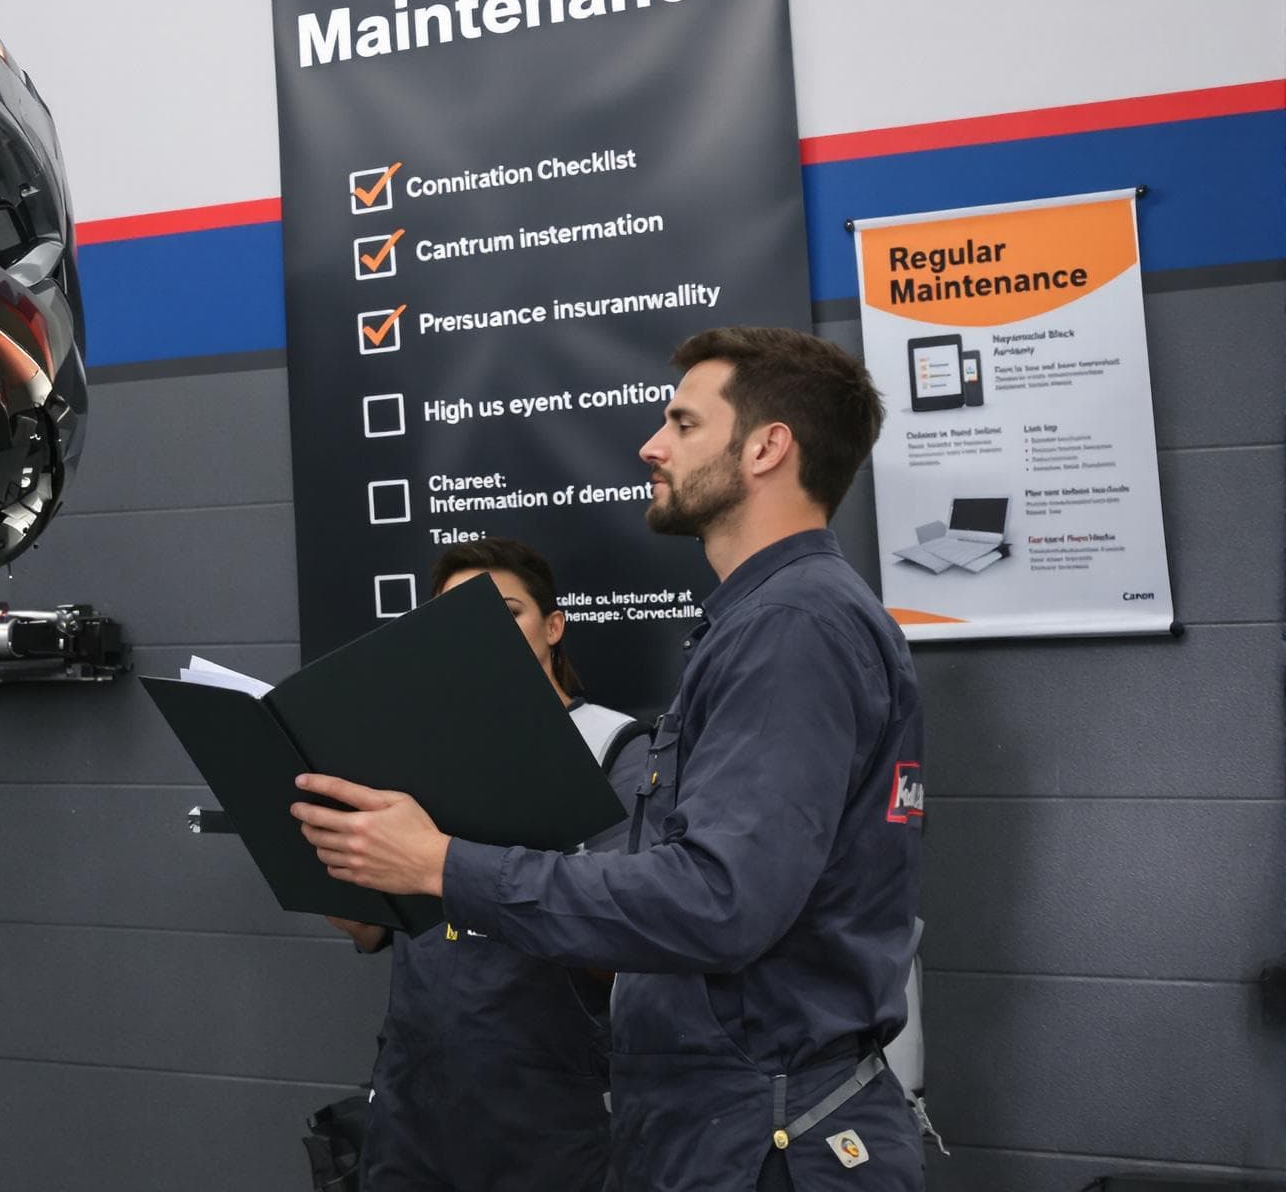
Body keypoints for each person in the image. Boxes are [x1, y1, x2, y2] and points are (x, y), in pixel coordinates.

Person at [293, 326, 927, 1192]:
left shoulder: (793, 625)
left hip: (765, 1133)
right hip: (709, 1121)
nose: (651, 445)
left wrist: (444, 863)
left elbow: (718, 900)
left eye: (683, 424)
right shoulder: (764, 620)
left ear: (768, 448)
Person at [326, 537, 650, 1192]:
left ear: (554, 627)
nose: (483, 632)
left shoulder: (616, 747)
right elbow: (368, 929)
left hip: (552, 1107)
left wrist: (490, 871)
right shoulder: (413, 752)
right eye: (457, 617)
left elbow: (626, 941)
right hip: (413, 1103)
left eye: (506, 612)